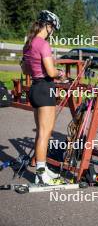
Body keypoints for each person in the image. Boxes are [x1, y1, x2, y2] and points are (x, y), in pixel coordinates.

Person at [22, 10, 65, 185]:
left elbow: (25, 69)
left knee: (41, 132)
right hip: (45, 88)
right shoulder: (44, 44)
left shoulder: (30, 43)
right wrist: (60, 73)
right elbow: (51, 71)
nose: (52, 31)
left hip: (34, 88)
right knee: (45, 134)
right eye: (53, 28)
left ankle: (43, 168)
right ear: (48, 26)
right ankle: (40, 174)